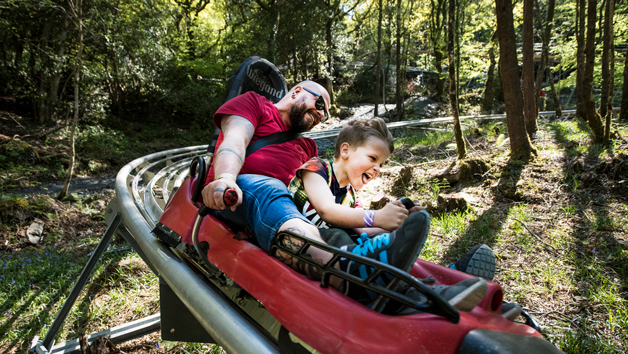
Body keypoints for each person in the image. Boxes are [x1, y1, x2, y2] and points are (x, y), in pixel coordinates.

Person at [201, 81, 485, 310]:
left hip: (286, 215)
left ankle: (434, 288)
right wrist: (225, 178)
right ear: (297, 91)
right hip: (237, 196)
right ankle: (341, 268)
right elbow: (235, 138)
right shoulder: (255, 104)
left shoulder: (308, 147)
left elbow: (330, 201)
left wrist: (392, 222)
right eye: (319, 104)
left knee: (363, 237)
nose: (322, 115)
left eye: (325, 113)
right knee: (271, 189)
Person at [287, 118, 488, 309]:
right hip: (308, 246)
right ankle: (423, 293)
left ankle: (445, 281)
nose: (377, 169)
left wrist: (400, 222)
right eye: (373, 158)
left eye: (381, 164)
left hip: (345, 253)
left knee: (384, 241)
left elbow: (366, 228)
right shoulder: (316, 169)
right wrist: (376, 216)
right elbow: (327, 210)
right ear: (346, 150)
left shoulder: (351, 196)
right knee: (338, 235)